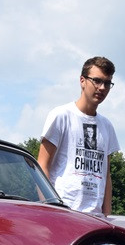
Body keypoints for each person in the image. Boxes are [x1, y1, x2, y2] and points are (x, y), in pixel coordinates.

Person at [37, 56, 120, 216]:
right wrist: (49, 211)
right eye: (96, 80)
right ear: (82, 81)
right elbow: (42, 166)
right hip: (63, 214)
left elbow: (106, 175)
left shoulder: (107, 126)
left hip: (96, 219)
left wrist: (107, 216)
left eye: (107, 83)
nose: (102, 87)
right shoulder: (61, 115)